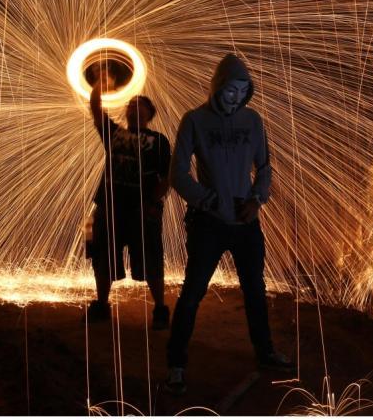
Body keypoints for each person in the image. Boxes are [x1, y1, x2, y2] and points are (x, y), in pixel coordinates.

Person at [164, 53, 293, 395]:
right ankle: (176, 363)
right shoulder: (194, 121)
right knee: (193, 293)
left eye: (242, 90)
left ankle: (265, 352)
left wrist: (257, 199)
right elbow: (177, 174)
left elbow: (264, 167)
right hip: (209, 222)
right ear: (217, 87)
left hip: (245, 221)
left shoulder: (253, 121)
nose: (235, 96)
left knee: (255, 290)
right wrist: (207, 201)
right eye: (230, 90)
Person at [86, 65, 172, 330]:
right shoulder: (114, 133)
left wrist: (154, 204)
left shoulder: (158, 141)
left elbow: (168, 176)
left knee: (151, 259)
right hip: (109, 208)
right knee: (103, 257)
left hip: (141, 211)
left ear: (150, 114)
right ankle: (101, 305)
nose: (134, 108)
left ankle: (160, 308)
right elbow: (96, 109)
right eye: (131, 105)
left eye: (140, 105)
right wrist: (101, 82)